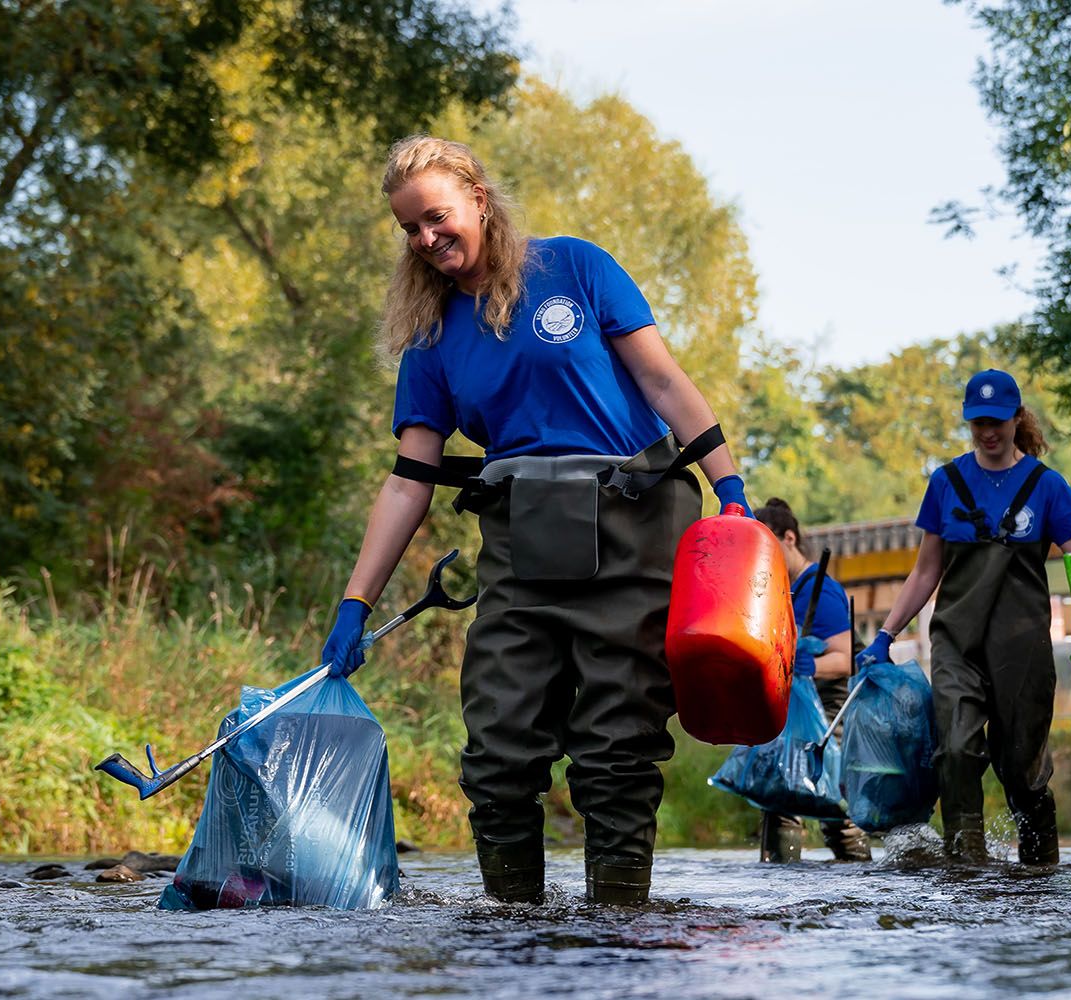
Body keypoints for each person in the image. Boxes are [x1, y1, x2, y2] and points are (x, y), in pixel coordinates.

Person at [318, 135, 752, 906]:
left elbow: (662, 381)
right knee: (498, 756)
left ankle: (617, 932)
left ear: (478, 199)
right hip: (519, 548)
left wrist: (732, 493)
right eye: (409, 229)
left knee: (615, 755)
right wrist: (357, 602)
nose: (426, 239)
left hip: (633, 530)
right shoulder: (430, 331)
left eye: (437, 217)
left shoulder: (576, 268)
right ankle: (513, 937)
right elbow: (409, 481)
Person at [858, 369, 1071, 865]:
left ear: (1017, 418)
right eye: (978, 422)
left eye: (998, 421)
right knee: (956, 751)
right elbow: (925, 572)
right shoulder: (946, 483)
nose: (988, 432)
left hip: (1022, 647)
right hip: (956, 644)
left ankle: (1038, 872)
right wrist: (885, 634)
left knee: (1020, 767)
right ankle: (967, 867)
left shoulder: (1046, 486)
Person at [753, 498, 873, 863]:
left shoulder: (823, 591)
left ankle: (857, 890)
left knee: (833, 805)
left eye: (769, 548)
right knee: (780, 799)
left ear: (789, 538)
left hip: (828, 715)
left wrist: (806, 667)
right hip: (790, 714)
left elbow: (844, 659)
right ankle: (779, 891)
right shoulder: (777, 591)